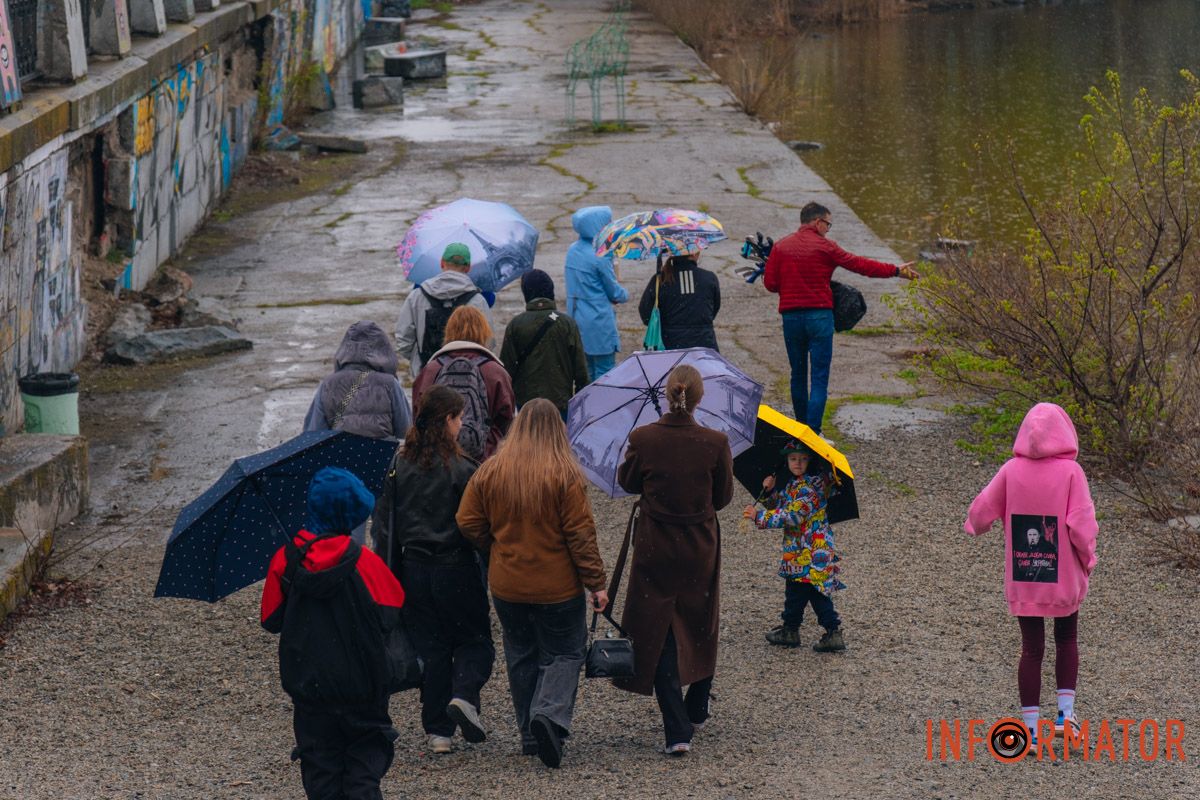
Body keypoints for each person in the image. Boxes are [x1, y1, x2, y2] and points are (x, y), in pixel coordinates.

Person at [455, 399, 608, 769]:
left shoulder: (492, 470)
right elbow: (580, 536)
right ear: (558, 431)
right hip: (557, 587)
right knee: (566, 652)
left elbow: (466, 519)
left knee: (521, 654)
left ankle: (529, 733)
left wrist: (496, 548)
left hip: (508, 586)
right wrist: (596, 583)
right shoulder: (565, 475)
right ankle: (549, 715)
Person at [260, 467, 406, 800]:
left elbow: (271, 619)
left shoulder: (285, 560)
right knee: (364, 765)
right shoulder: (364, 561)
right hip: (362, 684)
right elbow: (392, 611)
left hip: (310, 686)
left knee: (321, 770)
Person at [615, 364, 733, 756]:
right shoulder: (715, 442)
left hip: (656, 546)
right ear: (699, 398)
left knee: (658, 628)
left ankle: (676, 728)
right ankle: (697, 701)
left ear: (667, 395)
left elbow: (627, 481)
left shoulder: (643, 438)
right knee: (702, 619)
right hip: (700, 545)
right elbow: (722, 498)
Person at [964, 402, 1098, 743]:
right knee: (1066, 639)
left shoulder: (1010, 471)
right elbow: (1081, 526)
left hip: (1024, 576)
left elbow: (981, 511)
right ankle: (1065, 716)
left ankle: (1030, 730)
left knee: (1031, 648)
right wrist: (1088, 559)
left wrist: (975, 525)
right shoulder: (1072, 473)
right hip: (1063, 577)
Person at [372, 386, 495, 756]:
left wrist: (388, 575)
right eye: (459, 418)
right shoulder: (464, 469)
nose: (462, 425)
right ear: (448, 420)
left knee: (433, 648)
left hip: (413, 568)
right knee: (475, 641)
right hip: (456, 567)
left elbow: (385, 526)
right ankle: (464, 695)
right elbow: (480, 526)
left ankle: (438, 731)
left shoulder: (398, 466)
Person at [763, 202, 919, 433]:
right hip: (820, 317)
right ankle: (813, 433)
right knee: (819, 377)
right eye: (828, 224)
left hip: (791, 318)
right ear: (818, 222)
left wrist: (791, 281)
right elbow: (859, 265)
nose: (828, 229)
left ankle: (799, 432)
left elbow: (770, 284)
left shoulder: (781, 247)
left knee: (798, 374)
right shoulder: (825, 247)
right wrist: (894, 270)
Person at [303, 321, 412, 544]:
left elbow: (313, 432)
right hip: (382, 462)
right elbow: (405, 427)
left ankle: (351, 563)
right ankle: (381, 564)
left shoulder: (328, 384)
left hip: (343, 461)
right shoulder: (389, 384)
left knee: (350, 527)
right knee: (384, 529)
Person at [742, 440, 847, 652]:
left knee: (810, 592)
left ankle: (820, 631)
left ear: (810, 461)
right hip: (800, 552)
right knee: (801, 591)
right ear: (787, 461)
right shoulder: (794, 485)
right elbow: (780, 506)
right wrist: (769, 492)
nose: (797, 463)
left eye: (803, 459)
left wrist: (759, 517)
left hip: (811, 551)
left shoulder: (810, 489)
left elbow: (792, 516)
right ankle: (798, 629)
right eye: (793, 459)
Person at [412, 306, 515, 461]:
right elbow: (506, 421)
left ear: (449, 331)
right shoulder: (495, 372)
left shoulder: (431, 369)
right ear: (484, 332)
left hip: (436, 460)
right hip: (484, 462)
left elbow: (418, 415)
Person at [500, 269, 590, 419]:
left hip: (526, 404)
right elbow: (581, 371)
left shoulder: (516, 325)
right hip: (560, 403)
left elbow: (506, 370)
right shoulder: (567, 323)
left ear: (526, 293)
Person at [395, 242, 493, 378]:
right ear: (468, 268)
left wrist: (419, 363)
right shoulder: (478, 301)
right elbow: (488, 342)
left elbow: (403, 340)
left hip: (426, 375)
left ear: (441, 263)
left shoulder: (417, 296)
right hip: (468, 378)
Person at [564, 205, 629, 381]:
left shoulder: (572, 251)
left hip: (577, 318)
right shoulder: (600, 254)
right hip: (599, 322)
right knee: (605, 372)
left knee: (586, 373)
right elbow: (614, 292)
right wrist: (625, 294)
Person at [638, 249, 721, 351]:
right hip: (704, 344)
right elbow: (714, 309)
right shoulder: (709, 278)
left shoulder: (660, 280)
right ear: (695, 253)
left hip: (669, 346)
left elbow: (646, 314)